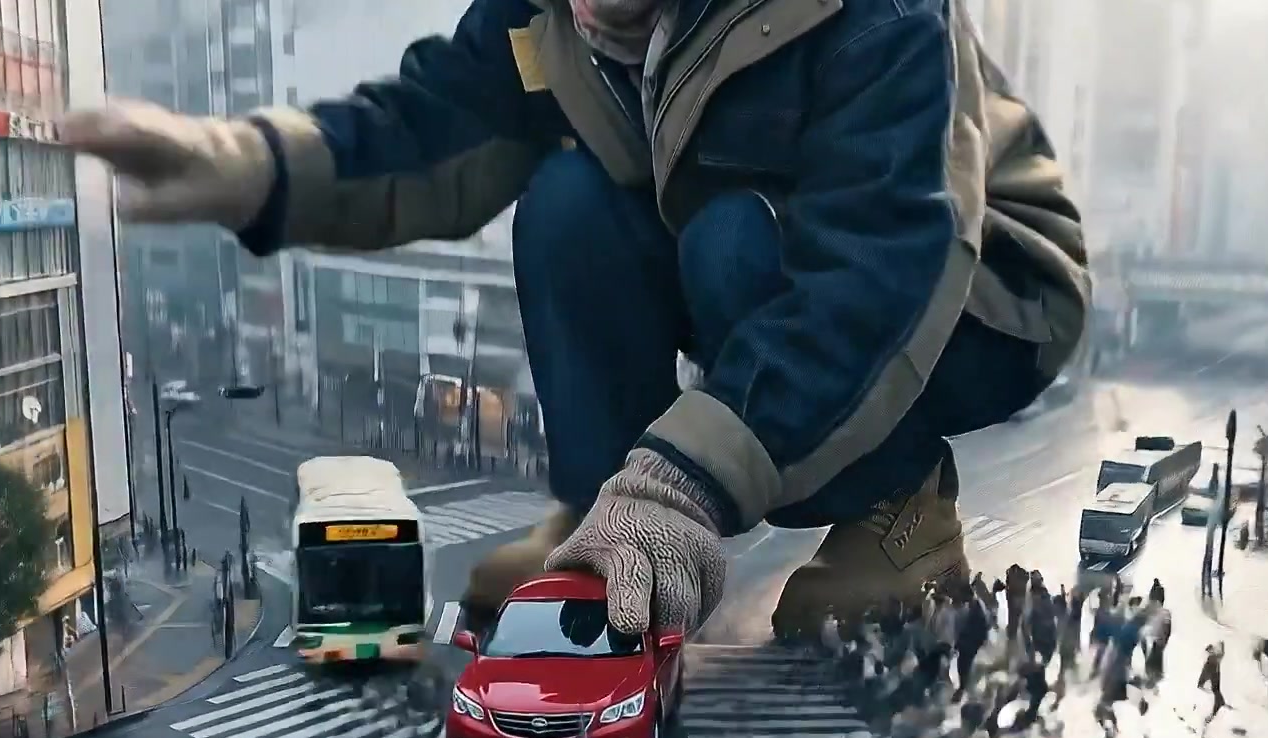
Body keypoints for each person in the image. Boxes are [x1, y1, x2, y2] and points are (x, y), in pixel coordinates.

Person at [58, 0, 1088, 643]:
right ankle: (605, 525)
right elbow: (434, 124)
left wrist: (683, 481)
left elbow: (884, 269)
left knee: (735, 242)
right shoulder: (556, 14)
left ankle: (901, 512)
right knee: (567, 202)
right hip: (761, 243)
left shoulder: (872, 14)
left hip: (980, 288)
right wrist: (257, 166)